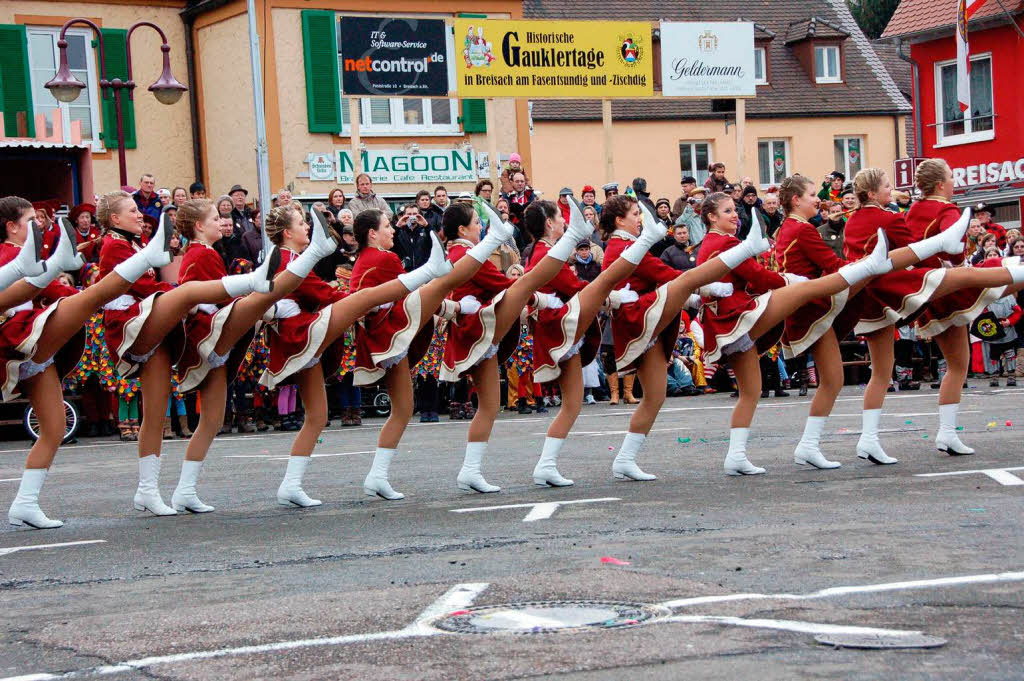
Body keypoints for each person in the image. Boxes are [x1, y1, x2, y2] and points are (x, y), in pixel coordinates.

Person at [0, 201, 183, 528]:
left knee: (55, 428)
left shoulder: (30, 257)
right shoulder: (5, 254)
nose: (39, 228)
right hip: (14, 338)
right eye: (31, 222)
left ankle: (24, 503)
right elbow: (33, 290)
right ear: (10, 226)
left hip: (34, 344)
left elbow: (54, 289)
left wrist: (69, 280)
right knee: (91, 299)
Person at [96, 195, 280, 516]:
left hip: (160, 324)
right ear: (114, 219)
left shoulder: (148, 247)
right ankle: (148, 490)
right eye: (133, 211)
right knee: (157, 414)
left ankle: (182, 490)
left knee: (204, 418)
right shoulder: (117, 246)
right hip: (144, 325)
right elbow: (149, 287)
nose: (140, 216)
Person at [259, 208, 456, 506]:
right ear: (372, 234)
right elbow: (336, 294)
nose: (392, 231)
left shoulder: (359, 259)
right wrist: (444, 308)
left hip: (340, 334)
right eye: (301, 224)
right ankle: (376, 476)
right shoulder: (291, 260)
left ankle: (292, 484)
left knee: (318, 416)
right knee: (402, 408)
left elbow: (323, 292)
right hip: (370, 333)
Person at [698, 191, 897, 476]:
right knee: (803, 289)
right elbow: (759, 275)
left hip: (729, 321)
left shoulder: (713, 242)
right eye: (728, 211)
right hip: (738, 315)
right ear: (711, 217)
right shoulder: (730, 241)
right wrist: (789, 280)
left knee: (752, 392)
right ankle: (869, 267)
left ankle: (737, 455)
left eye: (734, 210)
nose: (735, 215)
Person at [840, 167, 1024, 465]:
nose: (954, 183)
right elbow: (926, 253)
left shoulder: (876, 217)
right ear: (940, 184)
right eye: (887, 185)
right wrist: (948, 256)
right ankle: (1016, 267)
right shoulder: (927, 212)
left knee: (893, 371)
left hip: (871, 301)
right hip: (915, 288)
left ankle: (875, 438)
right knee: (980, 283)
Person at [601, 194, 774, 481]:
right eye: (635, 214)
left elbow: (662, 278)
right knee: (648, 397)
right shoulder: (622, 246)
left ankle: (624, 459)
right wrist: (702, 289)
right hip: (639, 319)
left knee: (655, 396)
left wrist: (694, 297)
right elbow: (666, 274)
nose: (639, 219)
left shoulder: (624, 245)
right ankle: (617, 459)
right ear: (620, 221)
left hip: (648, 319)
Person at [353, 205, 511, 500]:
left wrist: (448, 306)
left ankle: (377, 476)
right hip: (392, 331)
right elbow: (409, 292)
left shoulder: (368, 258)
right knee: (441, 283)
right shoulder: (382, 258)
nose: (393, 231)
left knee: (402, 410)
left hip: (386, 334)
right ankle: (467, 471)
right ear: (373, 233)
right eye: (388, 226)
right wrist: (456, 306)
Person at [439, 200, 595, 493]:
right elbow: (504, 285)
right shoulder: (467, 253)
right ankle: (524, 467)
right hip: (479, 327)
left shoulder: (464, 252)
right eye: (477, 223)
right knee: (526, 285)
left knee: (489, 407)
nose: (479, 227)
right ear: (462, 229)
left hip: (479, 327)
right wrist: (545, 299)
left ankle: (474, 471)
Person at [909, 159, 1024, 454]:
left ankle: (947, 433)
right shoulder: (946, 209)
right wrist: (962, 268)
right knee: (1004, 272)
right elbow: (955, 246)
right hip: (950, 285)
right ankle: (945, 433)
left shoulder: (913, 210)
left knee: (957, 365)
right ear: (939, 185)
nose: (953, 181)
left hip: (927, 292)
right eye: (950, 177)